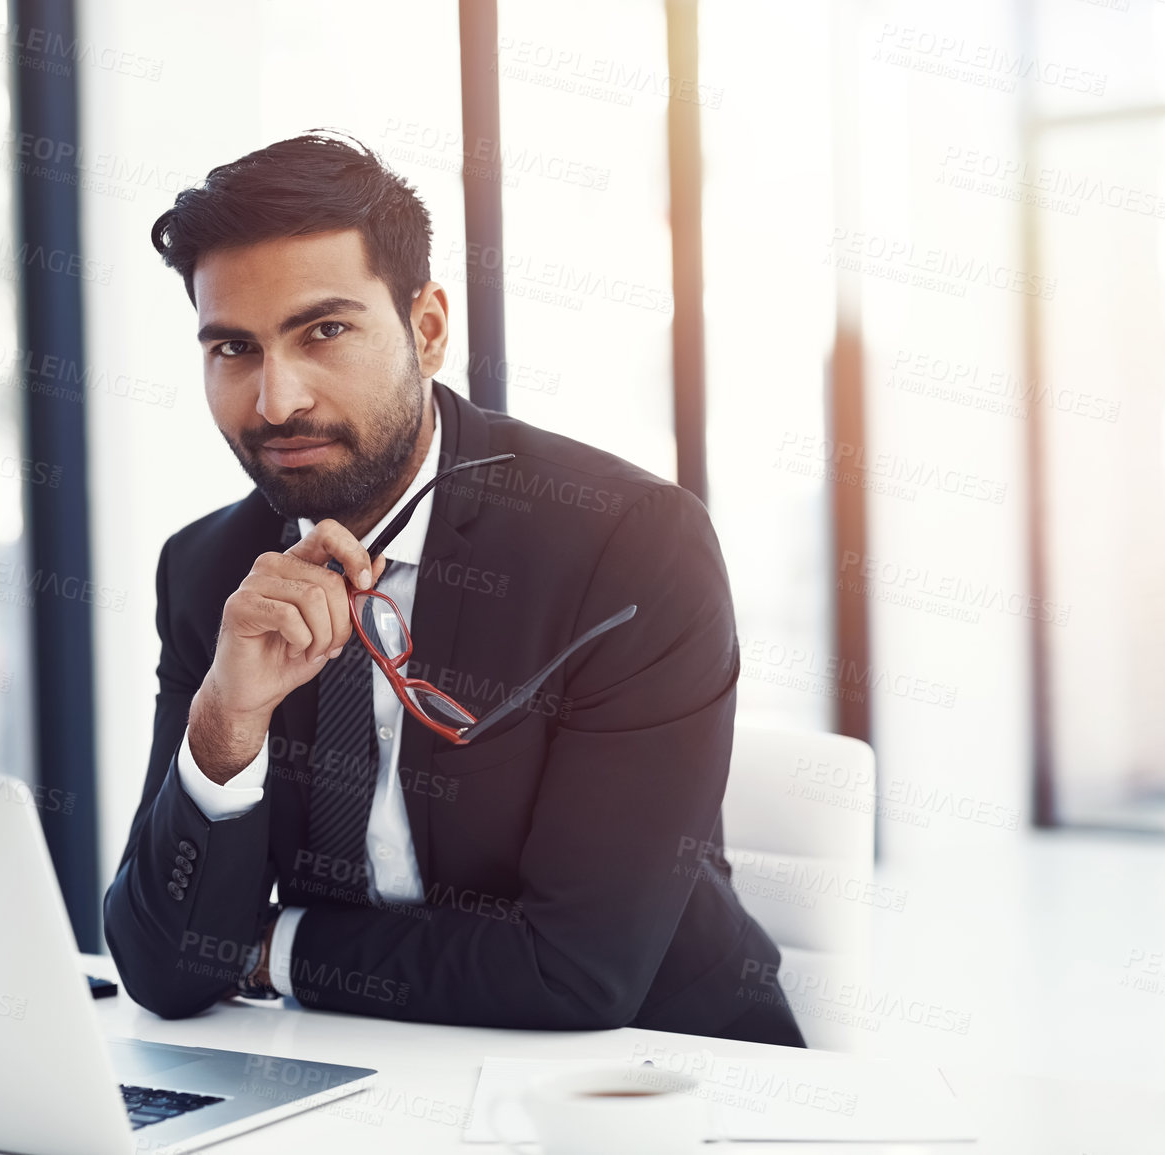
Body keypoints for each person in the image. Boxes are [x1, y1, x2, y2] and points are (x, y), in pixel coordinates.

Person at [103, 130, 804, 1046]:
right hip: (364, 1073)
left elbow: (578, 971)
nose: (277, 401)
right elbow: (161, 965)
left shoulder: (627, 546)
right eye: (234, 348)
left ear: (427, 329)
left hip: (654, 1082)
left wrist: (271, 949)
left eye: (324, 331)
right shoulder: (209, 573)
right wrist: (224, 727)